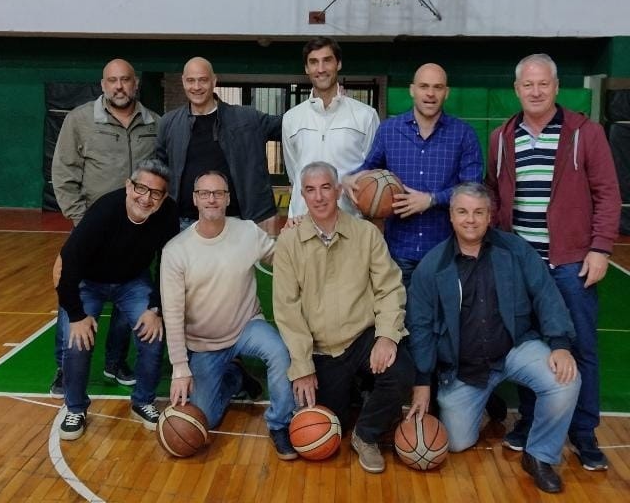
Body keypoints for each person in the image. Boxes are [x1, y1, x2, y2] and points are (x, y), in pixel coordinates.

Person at [486, 53, 621, 471]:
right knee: (530, 346)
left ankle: (583, 434)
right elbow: (493, 196)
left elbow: (608, 194)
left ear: (557, 87)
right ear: (517, 90)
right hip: (521, 265)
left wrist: (599, 248)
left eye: (543, 83)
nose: (536, 91)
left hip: (570, 263)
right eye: (528, 84)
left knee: (580, 348)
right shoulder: (502, 138)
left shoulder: (586, 133)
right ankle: (529, 423)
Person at [406, 183, 580, 494]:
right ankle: (486, 396)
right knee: (456, 443)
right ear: (451, 216)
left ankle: (539, 456)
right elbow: (420, 326)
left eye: (478, 212)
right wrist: (421, 382)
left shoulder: (515, 250)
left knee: (565, 380)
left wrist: (561, 345)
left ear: (490, 216)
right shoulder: (432, 266)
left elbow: (545, 294)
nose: (470, 219)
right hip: (465, 368)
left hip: (513, 349)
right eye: (462, 211)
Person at [273, 161, 413, 474]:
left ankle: (366, 435)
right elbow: (287, 309)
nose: (319, 196)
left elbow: (389, 288)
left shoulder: (366, 234)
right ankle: (357, 396)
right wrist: (303, 366)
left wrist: (387, 336)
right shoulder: (289, 242)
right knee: (327, 429)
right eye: (310, 190)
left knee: (402, 371)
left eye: (326, 187)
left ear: (338, 191)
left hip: (361, 337)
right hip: (322, 348)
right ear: (303, 195)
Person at [160, 170, 297, 460]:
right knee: (203, 419)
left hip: (247, 326)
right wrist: (180, 368)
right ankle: (235, 377)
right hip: (204, 344)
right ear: (195, 199)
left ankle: (280, 424)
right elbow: (172, 315)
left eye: (218, 193)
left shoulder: (247, 231)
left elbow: (280, 259)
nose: (212, 199)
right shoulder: (176, 251)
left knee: (280, 353)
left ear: (227, 198)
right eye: (205, 194)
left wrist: (292, 237)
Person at [50, 58, 161, 396]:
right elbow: (63, 173)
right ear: (103, 85)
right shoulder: (80, 120)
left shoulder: (154, 123)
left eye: (125, 80)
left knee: (131, 301)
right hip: (90, 232)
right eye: (112, 80)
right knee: (73, 297)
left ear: (135, 83)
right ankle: (63, 368)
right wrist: (85, 224)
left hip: (138, 234)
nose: (119, 86)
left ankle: (116, 362)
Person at [55, 159, 179, 440]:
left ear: (163, 198)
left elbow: (167, 262)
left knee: (153, 333)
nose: (146, 198)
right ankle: (75, 407)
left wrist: (155, 306)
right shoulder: (104, 211)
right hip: (89, 282)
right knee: (77, 341)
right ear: (128, 186)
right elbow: (70, 263)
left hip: (132, 281)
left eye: (155, 193)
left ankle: (143, 401)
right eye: (141, 189)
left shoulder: (168, 214)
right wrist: (76, 316)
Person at [342, 62, 483, 290]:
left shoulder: (463, 134)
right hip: (399, 251)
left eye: (437, 87)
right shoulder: (389, 130)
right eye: (424, 86)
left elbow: (473, 189)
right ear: (412, 89)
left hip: (445, 250)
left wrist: (431, 199)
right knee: (400, 321)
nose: (430, 93)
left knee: (444, 323)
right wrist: (349, 179)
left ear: (446, 92)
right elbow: (368, 168)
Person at [156, 56, 282, 234]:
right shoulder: (169, 123)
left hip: (237, 222)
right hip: (184, 224)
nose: (197, 87)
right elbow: (160, 172)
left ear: (214, 81)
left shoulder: (247, 119)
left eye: (203, 80)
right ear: (183, 82)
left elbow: (290, 127)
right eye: (191, 81)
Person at [282, 36, 379, 217]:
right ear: (306, 68)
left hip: (351, 225)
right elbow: (294, 174)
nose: (320, 69)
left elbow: (372, 173)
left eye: (327, 60)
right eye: (313, 62)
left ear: (338, 64)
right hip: (303, 225)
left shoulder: (365, 115)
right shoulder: (291, 118)